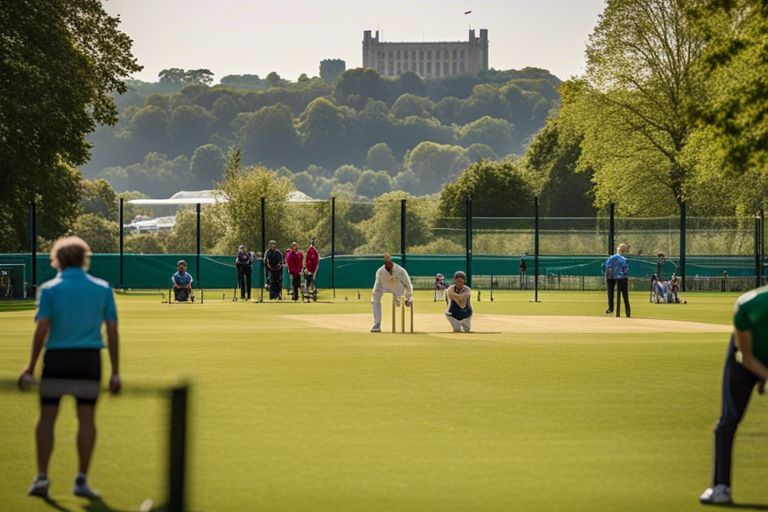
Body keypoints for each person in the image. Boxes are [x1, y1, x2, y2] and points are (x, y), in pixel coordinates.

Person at [19, 236, 120, 499]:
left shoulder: (50, 289)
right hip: (88, 361)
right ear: (84, 258)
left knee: (47, 417)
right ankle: (81, 480)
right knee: (86, 419)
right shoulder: (102, 288)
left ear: (58, 259)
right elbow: (112, 330)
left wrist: (30, 367)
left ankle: (41, 477)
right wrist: (116, 372)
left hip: (57, 359)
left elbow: (42, 329)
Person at [699, 285, 768, 505]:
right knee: (728, 421)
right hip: (743, 360)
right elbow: (745, 357)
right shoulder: (749, 305)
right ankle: (721, 487)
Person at [370, 253, 413, 332]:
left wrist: (408, 298)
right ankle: (377, 325)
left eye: (390, 264)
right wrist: (375, 294)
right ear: (385, 264)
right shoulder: (380, 271)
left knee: (398, 303)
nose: (389, 267)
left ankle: (398, 300)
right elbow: (377, 284)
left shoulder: (400, 270)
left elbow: (408, 284)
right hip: (384, 287)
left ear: (392, 263)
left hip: (397, 289)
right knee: (374, 297)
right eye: (387, 265)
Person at [604, 243, 630, 317]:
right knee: (624, 294)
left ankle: (611, 308)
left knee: (611, 293)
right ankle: (627, 311)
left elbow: (608, 267)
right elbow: (626, 270)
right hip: (620, 277)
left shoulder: (612, 258)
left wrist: (611, 275)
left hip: (613, 277)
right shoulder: (623, 259)